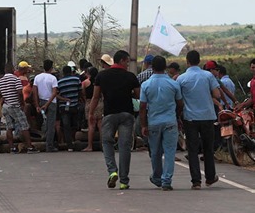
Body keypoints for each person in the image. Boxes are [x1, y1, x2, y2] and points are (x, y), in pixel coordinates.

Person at [89, 50, 140, 190]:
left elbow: (95, 97)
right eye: (127, 61)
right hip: (126, 115)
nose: (128, 64)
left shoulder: (101, 76)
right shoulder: (130, 77)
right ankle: (124, 181)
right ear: (122, 60)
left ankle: (112, 171)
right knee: (124, 147)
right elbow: (138, 95)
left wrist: (91, 113)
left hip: (109, 114)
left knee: (106, 142)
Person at [177, 51, 221, 190]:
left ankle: (196, 181)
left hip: (190, 118)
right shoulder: (208, 75)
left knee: (192, 150)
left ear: (187, 61)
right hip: (207, 116)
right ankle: (210, 177)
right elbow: (217, 94)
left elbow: (178, 99)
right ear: (199, 61)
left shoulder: (181, 78)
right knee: (208, 148)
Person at [140, 56, 183, 191]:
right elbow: (180, 103)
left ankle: (157, 177)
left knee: (155, 152)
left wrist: (143, 125)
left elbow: (142, 107)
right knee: (170, 152)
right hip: (170, 121)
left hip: (153, 122)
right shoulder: (173, 84)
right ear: (165, 67)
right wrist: (177, 116)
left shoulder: (146, 85)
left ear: (152, 67)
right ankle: (166, 180)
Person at [0, 64, 38, 153]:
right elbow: (20, 92)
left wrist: (0, 97)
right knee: (24, 126)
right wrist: (22, 104)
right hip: (15, 105)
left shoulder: (0, 81)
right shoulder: (16, 79)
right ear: (12, 69)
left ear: (5, 70)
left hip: (5, 106)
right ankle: (30, 147)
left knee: (9, 127)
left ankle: (12, 148)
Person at [33, 59, 59, 152]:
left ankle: (45, 142)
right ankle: (49, 145)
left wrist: (37, 105)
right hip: (51, 103)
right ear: (51, 68)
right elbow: (54, 92)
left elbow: (35, 92)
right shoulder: (53, 78)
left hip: (41, 101)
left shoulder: (37, 77)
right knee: (50, 125)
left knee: (44, 123)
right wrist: (48, 104)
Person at [57, 65, 81, 151]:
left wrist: (64, 99)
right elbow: (80, 91)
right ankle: (76, 141)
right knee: (75, 125)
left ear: (63, 73)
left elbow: (56, 94)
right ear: (71, 71)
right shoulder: (76, 80)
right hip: (75, 106)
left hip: (64, 107)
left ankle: (69, 145)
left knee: (66, 126)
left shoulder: (59, 82)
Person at [82, 67, 103, 152]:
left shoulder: (85, 82)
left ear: (89, 73)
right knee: (100, 125)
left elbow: (83, 94)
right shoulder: (99, 82)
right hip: (100, 102)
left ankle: (90, 146)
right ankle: (103, 145)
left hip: (89, 102)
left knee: (91, 125)